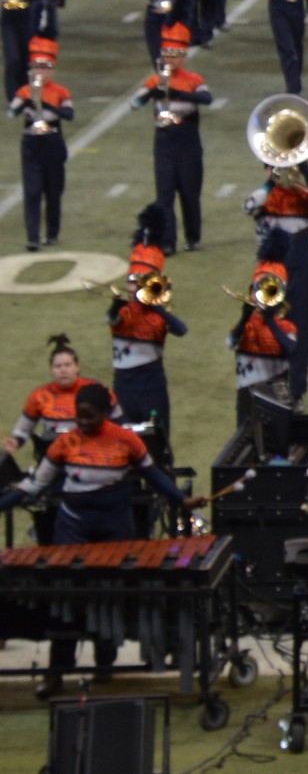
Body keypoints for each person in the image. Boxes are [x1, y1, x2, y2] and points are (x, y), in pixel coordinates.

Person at [0, 381, 202, 698]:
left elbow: (154, 475)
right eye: (79, 417)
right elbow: (35, 485)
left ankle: (104, 666)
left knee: (108, 594)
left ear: (105, 414)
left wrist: (181, 500)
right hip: (73, 529)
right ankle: (56, 673)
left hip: (114, 531)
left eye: (89, 417)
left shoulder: (126, 440)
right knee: (64, 598)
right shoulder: (65, 443)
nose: (82, 423)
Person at [104, 205, 187, 454]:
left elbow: (181, 329)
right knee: (125, 445)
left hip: (152, 384)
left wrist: (157, 305)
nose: (135, 287)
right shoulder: (122, 311)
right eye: (132, 281)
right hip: (125, 386)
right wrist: (117, 302)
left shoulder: (159, 315)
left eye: (141, 282)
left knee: (158, 444)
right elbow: (112, 319)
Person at [241, 148, 308, 396]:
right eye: (271, 165)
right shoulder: (262, 197)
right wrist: (272, 179)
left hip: (301, 274)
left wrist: (303, 165)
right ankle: (265, 389)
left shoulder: (303, 197)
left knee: (301, 333)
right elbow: (248, 206)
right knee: (264, 331)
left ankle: (296, 392)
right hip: (268, 276)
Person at [130, 21, 210, 254]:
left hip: (186, 138)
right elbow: (134, 103)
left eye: (175, 54)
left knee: (189, 191)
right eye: (167, 54)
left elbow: (207, 99)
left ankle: (193, 236)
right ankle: (167, 241)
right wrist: (151, 93)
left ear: (184, 56)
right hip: (163, 138)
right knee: (164, 192)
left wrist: (178, 93)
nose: (171, 59)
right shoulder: (156, 79)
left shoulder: (194, 80)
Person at [12, 12, 71, 251]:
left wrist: (45, 104)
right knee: (32, 189)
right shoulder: (25, 91)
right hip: (31, 142)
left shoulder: (60, 92)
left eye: (45, 67)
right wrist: (27, 101)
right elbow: (12, 112)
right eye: (36, 66)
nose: (40, 72)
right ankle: (33, 236)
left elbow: (69, 115)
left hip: (53, 140)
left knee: (53, 189)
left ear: (52, 69)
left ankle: (52, 232)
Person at [229, 230, 298, 425]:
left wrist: (269, 321)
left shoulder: (286, 326)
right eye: (257, 290)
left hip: (276, 398)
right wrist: (243, 320)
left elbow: (291, 349)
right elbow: (230, 342)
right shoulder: (247, 325)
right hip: (246, 398)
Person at [6, 335, 107, 462]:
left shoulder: (98, 390)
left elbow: (119, 423)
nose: (63, 370)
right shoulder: (39, 395)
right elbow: (24, 428)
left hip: (94, 454)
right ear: (51, 370)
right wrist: (15, 441)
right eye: (58, 366)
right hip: (55, 456)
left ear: (77, 367)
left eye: (67, 365)